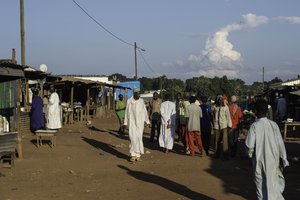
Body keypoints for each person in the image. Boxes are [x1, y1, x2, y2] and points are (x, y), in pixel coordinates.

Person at [245, 98, 289, 200]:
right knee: (273, 185)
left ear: (255, 111)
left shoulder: (254, 126)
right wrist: (283, 159)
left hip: (259, 161)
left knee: (261, 187)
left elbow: (249, 146)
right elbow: (280, 144)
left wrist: (250, 155)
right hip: (273, 161)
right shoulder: (274, 125)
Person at [124, 88, 150, 162]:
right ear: (134, 94)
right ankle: (133, 155)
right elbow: (126, 112)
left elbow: (144, 111)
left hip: (140, 123)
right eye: (138, 93)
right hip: (132, 122)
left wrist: (147, 121)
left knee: (139, 138)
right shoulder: (129, 101)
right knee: (132, 138)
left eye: (139, 93)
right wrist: (125, 123)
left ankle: (138, 155)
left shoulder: (141, 101)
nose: (139, 95)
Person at [212, 95, 232, 159]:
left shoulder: (226, 107)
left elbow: (228, 117)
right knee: (216, 141)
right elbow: (212, 114)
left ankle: (225, 156)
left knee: (225, 141)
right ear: (217, 100)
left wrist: (230, 125)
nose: (220, 101)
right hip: (217, 126)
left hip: (224, 126)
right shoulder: (214, 107)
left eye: (221, 99)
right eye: (219, 99)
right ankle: (217, 154)